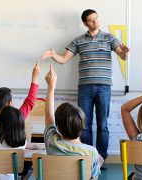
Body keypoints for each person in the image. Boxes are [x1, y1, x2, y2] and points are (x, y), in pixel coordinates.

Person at [41, 9, 129, 162]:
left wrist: (125, 52)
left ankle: (101, 159)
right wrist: (53, 55)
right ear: (85, 23)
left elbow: (122, 54)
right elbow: (63, 58)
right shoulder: (79, 40)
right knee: (84, 124)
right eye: (91, 20)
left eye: (97, 18)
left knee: (103, 125)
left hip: (104, 87)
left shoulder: (109, 38)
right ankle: (86, 157)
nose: (95, 22)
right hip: (85, 88)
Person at [44, 64, 103, 179]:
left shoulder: (52, 142)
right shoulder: (91, 152)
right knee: (99, 160)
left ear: (58, 127)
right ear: (82, 126)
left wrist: (51, 87)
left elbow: (48, 116)